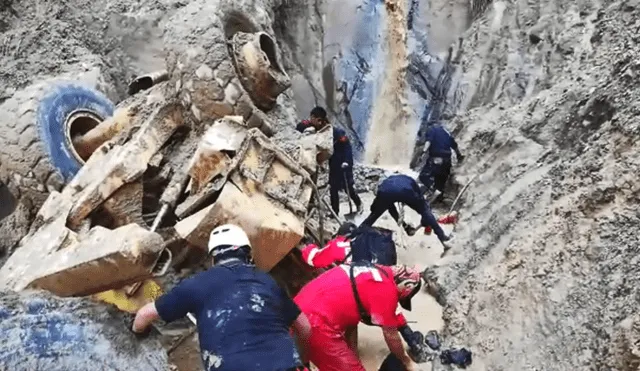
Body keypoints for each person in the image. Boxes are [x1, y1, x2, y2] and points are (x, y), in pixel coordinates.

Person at [130, 224, 311, 371]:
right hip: (283, 364)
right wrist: (302, 358)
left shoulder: (196, 284)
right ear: (248, 254)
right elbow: (305, 327)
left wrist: (139, 334)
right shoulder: (268, 282)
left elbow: (144, 316)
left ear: (213, 259)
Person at [294, 263, 424, 371]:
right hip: (316, 322)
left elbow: (351, 322)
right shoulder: (386, 290)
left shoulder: (370, 270)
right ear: (407, 287)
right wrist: (407, 361)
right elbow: (391, 335)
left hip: (296, 309)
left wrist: (352, 358)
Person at [360, 174, 454, 252]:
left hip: (387, 194)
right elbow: (423, 203)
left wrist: (403, 225)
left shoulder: (384, 185)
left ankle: (357, 233)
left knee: (374, 216)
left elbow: (390, 210)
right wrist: (425, 218)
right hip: (407, 191)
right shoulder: (409, 179)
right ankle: (443, 238)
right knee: (425, 210)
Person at [418, 123, 464, 203]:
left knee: (423, 176)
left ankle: (433, 190)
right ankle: (439, 199)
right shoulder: (445, 132)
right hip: (447, 160)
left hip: (437, 158)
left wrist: (423, 153)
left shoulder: (431, 129)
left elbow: (429, 141)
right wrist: (459, 156)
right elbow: (454, 145)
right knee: (440, 180)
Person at [329, 125, 363, 216]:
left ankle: (359, 203)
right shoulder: (327, 136)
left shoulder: (340, 136)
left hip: (345, 167)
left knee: (348, 188)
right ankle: (334, 211)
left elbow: (348, 150)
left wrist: (346, 161)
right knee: (333, 189)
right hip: (334, 167)